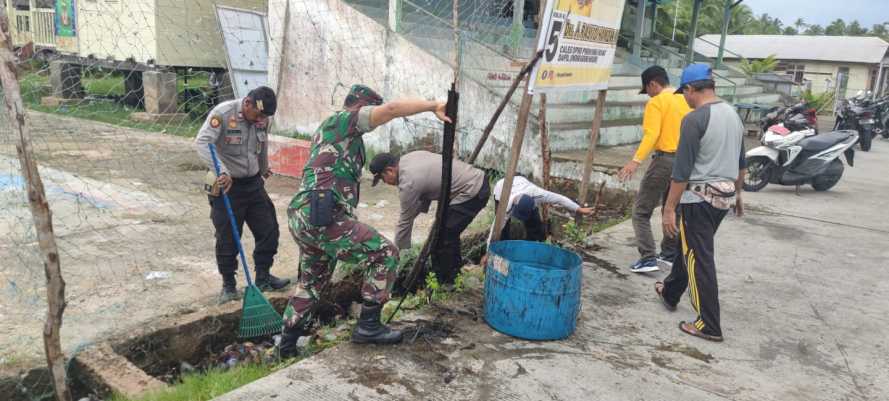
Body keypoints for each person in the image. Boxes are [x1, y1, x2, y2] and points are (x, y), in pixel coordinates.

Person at [280, 85, 450, 355]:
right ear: (361, 106)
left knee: (312, 282)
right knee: (385, 253)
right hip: (322, 216)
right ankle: (368, 326)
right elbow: (391, 110)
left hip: (308, 216)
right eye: (371, 110)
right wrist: (433, 106)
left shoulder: (335, 136)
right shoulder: (344, 122)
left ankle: (286, 346)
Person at [655, 64, 746, 342]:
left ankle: (708, 323)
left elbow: (681, 171)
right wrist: (739, 194)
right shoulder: (733, 115)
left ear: (692, 89)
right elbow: (742, 162)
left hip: (698, 199)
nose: (684, 98)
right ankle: (670, 292)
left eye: (685, 93)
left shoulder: (695, 119)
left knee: (699, 259)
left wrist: (669, 208)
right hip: (724, 197)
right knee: (690, 247)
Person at [194, 86, 291, 304]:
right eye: (258, 115)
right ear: (247, 103)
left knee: (269, 230)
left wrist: (263, 167)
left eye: (264, 117)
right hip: (228, 187)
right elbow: (202, 142)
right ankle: (228, 286)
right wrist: (221, 170)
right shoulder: (223, 114)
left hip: (254, 184)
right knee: (228, 237)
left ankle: (263, 278)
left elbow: (262, 143)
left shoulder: (261, 117)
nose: (261, 120)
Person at [369, 150, 490, 287]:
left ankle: (449, 284)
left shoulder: (408, 182)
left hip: (472, 190)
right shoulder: (409, 158)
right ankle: (452, 277)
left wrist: (397, 254)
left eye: (383, 179)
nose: (386, 183)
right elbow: (421, 198)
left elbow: (405, 221)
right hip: (473, 181)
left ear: (390, 171)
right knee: (444, 234)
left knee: (444, 237)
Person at [618, 65, 692, 274]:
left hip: (664, 161)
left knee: (641, 211)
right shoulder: (685, 99)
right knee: (673, 208)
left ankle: (648, 257)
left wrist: (635, 161)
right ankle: (669, 255)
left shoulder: (657, 102)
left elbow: (652, 135)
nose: (648, 94)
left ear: (653, 84)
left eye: (647, 90)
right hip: (686, 162)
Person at [480, 176, 594, 265]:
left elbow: (560, 199)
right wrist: (487, 252)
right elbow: (494, 230)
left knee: (535, 228)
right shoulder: (505, 206)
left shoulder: (536, 194)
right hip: (501, 189)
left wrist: (579, 209)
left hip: (521, 183)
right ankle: (500, 258)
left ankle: (532, 252)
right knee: (502, 232)